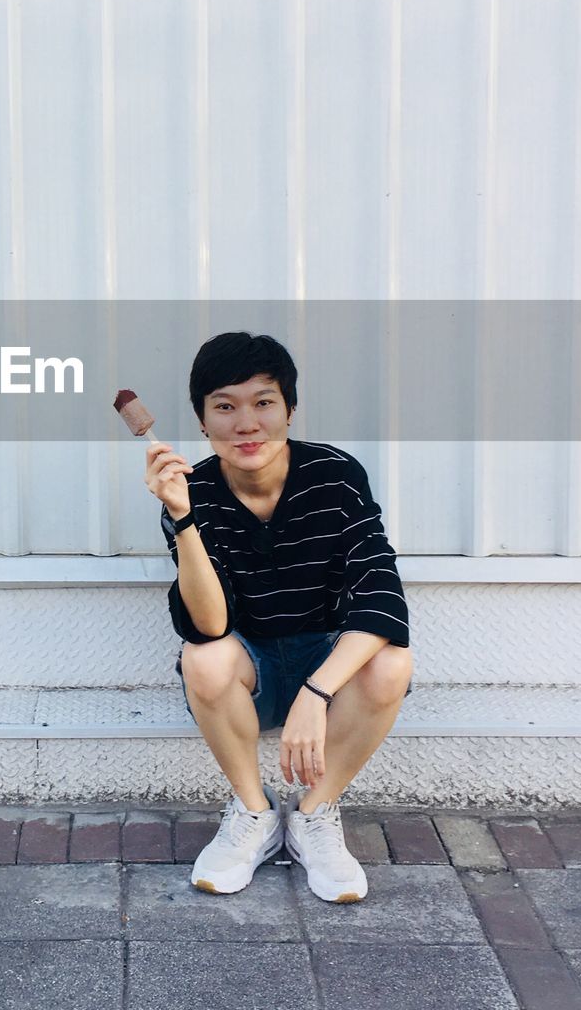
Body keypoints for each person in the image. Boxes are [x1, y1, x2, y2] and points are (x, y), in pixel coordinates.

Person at [146, 331, 413, 903]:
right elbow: (209, 624)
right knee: (205, 657)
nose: (246, 424)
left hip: (327, 665)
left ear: (289, 410)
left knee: (391, 664)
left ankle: (313, 816)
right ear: (202, 421)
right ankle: (254, 814)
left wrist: (317, 693)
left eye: (263, 402)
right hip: (255, 667)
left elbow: (382, 595)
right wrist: (182, 519)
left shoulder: (336, 476)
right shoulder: (194, 490)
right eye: (225, 406)